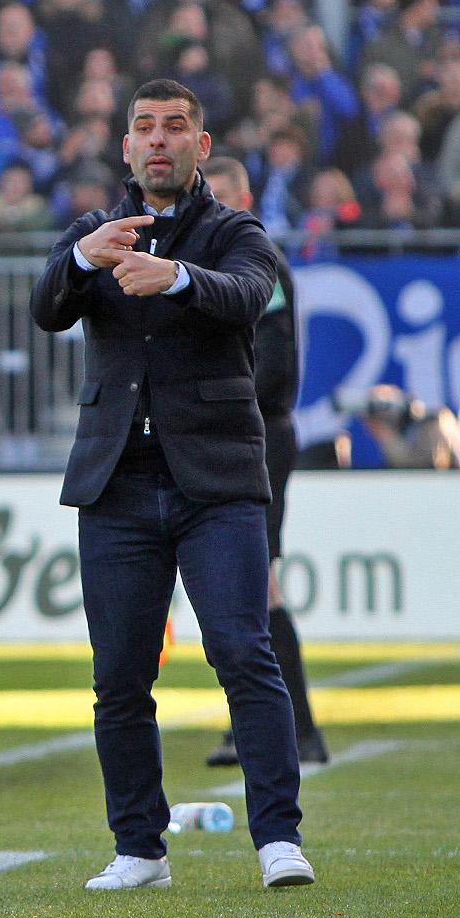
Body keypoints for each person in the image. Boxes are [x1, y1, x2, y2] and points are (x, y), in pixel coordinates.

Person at [30, 79, 311, 892]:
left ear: (201, 145)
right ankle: (139, 848)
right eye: (144, 128)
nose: (158, 140)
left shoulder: (236, 232)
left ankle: (277, 840)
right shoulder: (96, 231)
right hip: (117, 480)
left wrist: (177, 277)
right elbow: (48, 305)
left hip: (214, 480)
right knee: (119, 674)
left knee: (240, 651)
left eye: (175, 127)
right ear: (125, 147)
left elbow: (248, 294)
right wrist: (86, 258)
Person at [198, 156, 328, 768]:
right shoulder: (217, 266)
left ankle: (295, 729)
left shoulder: (260, 264)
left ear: (244, 201)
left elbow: (274, 360)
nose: (214, 207)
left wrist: (217, 399)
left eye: (224, 197)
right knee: (242, 582)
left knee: (257, 581)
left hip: (258, 435)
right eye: (208, 196)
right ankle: (265, 727)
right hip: (233, 434)